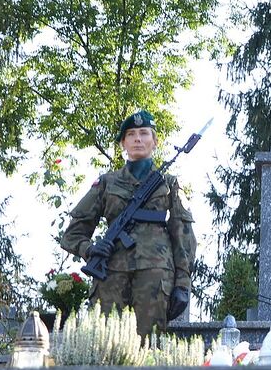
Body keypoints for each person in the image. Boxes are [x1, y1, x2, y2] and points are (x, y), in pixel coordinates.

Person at [60, 110, 197, 336]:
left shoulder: (169, 184)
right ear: (123, 143)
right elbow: (72, 234)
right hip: (110, 275)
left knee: (150, 348)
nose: (137, 139)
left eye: (144, 133)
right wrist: (90, 249)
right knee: (105, 345)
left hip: (155, 277)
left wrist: (183, 283)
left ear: (155, 142)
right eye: (131, 134)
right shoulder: (106, 183)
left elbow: (183, 235)